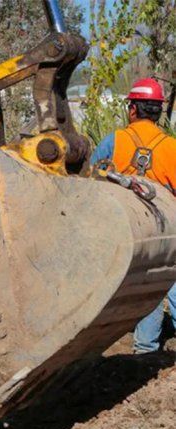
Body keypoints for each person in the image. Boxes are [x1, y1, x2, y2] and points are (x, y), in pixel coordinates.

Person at [90, 77, 176, 353]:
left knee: (141, 283)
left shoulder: (114, 140)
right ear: (159, 111)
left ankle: (145, 349)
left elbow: (91, 181)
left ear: (133, 110)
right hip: (166, 225)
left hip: (126, 229)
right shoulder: (171, 147)